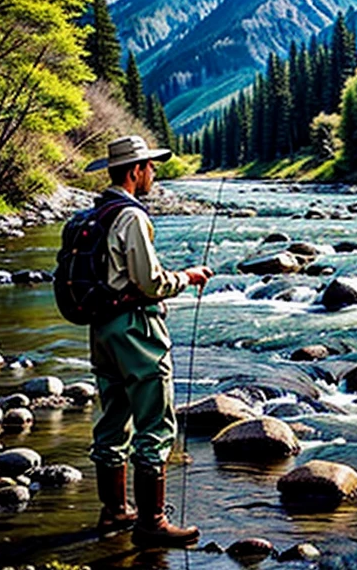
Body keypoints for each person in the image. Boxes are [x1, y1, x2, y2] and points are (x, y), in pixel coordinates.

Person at [85, 136, 213, 547]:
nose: (154, 174)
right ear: (134, 171)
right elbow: (150, 282)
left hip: (101, 329)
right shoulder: (131, 217)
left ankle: (115, 511)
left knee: (113, 417)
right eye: (150, 168)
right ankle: (152, 524)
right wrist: (187, 277)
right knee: (155, 423)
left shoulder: (97, 212)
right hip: (136, 329)